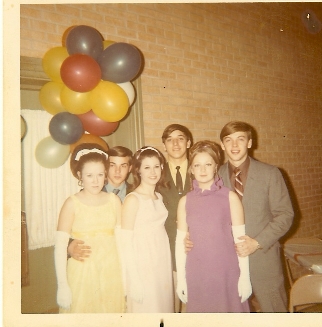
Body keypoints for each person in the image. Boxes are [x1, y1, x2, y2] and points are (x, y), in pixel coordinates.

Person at [186, 121, 294, 312]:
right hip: (226, 264)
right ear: (222, 145)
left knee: (274, 314)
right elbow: (199, 211)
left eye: (240, 139)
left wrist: (257, 242)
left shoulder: (270, 174)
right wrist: (190, 236)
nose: (234, 146)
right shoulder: (213, 175)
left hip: (263, 259)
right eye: (229, 140)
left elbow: (285, 215)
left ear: (250, 143)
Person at [175, 140, 251, 313]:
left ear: (216, 166)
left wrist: (245, 278)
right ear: (191, 169)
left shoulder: (230, 197)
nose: (202, 170)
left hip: (226, 271)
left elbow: (241, 241)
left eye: (208, 164)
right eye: (197, 165)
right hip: (198, 272)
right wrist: (181, 279)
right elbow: (180, 243)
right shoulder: (185, 201)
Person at [54, 143, 125, 313]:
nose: (95, 180)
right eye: (90, 175)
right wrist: (62, 285)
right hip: (82, 271)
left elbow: (122, 240)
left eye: (100, 174)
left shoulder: (114, 201)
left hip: (111, 270)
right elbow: (60, 246)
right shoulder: (71, 203)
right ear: (80, 175)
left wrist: (126, 276)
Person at [121, 146, 174, 313]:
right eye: (147, 167)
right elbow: (126, 243)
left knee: (163, 307)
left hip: (161, 259)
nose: (153, 172)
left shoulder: (159, 197)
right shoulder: (132, 199)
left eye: (156, 166)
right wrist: (134, 280)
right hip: (143, 263)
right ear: (138, 171)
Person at [67, 145, 133, 261]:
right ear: (106, 168)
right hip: (94, 259)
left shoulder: (136, 194)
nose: (118, 171)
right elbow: (74, 229)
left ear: (130, 168)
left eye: (123, 166)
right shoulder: (89, 193)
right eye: (112, 165)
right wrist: (70, 246)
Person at [158, 124, 193, 313]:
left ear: (188, 143)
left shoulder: (201, 168)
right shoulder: (155, 172)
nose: (175, 143)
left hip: (197, 246)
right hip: (167, 248)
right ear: (164, 145)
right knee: (171, 307)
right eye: (169, 139)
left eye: (180, 138)